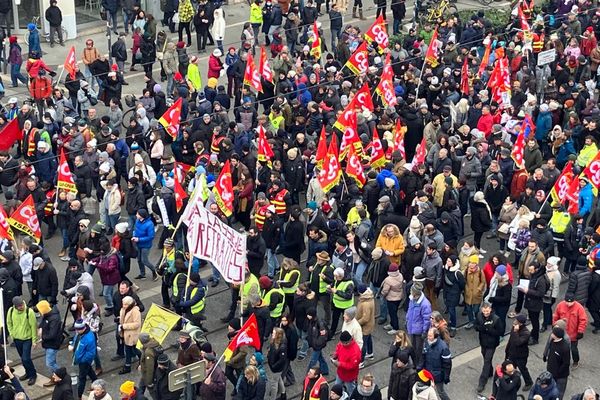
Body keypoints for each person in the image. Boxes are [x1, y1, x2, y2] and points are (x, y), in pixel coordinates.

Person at [7, 296, 37, 385]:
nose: (21, 307)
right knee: (23, 358)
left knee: (26, 358)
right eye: (19, 306)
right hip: (17, 339)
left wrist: (34, 340)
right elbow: (9, 323)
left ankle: (33, 375)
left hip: (27, 339)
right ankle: (28, 372)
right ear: (15, 306)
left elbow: (33, 326)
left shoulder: (29, 312)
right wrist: (12, 334)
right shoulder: (11, 311)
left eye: (22, 305)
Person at [552, 293, 588, 369]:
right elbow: (556, 316)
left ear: (574, 301)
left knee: (573, 349)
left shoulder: (579, 307)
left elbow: (583, 320)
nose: (568, 304)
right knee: (562, 349)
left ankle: (576, 361)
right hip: (562, 333)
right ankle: (563, 361)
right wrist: (555, 325)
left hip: (573, 335)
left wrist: (580, 331)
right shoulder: (560, 305)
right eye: (567, 302)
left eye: (570, 302)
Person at [474, 302, 503, 393]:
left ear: (490, 310)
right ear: (482, 310)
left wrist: (489, 329)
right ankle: (490, 372)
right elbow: (475, 326)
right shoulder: (479, 316)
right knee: (485, 357)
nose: (486, 312)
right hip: (483, 342)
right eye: (484, 311)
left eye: (487, 311)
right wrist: (481, 328)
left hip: (492, 343)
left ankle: (482, 382)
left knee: (486, 361)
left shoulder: (496, 319)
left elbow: (500, 332)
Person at [419, 328, 451, 400]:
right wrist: (420, 367)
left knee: (440, 391)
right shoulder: (426, 342)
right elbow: (423, 355)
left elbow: (447, 364)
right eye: (428, 335)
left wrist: (446, 377)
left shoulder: (443, 347)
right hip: (427, 372)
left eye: (430, 336)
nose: (428, 337)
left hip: (438, 375)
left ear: (435, 336)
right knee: (428, 390)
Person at [36, 300, 62, 387]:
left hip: (53, 344)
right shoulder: (47, 314)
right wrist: (40, 328)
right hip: (48, 343)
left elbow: (52, 335)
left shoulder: (54, 319)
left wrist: (42, 336)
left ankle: (60, 375)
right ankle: (56, 376)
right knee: (52, 362)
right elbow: (43, 323)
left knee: (50, 363)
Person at [70, 319, 97, 399]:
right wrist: (72, 344)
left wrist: (81, 360)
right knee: (90, 373)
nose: (76, 331)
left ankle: (78, 395)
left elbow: (91, 353)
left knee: (82, 378)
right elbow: (76, 340)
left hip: (84, 361)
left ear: (83, 328)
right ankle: (96, 384)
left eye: (78, 329)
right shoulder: (80, 333)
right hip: (82, 360)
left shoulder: (89, 338)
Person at [505, 314, 533, 391]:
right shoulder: (514, 328)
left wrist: (516, 331)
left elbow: (518, 342)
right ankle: (512, 381)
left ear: (520, 323)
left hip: (521, 356)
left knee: (522, 369)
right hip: (512, 353)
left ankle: (529, 382)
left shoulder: (526, 333)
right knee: (511, 369)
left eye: (516, 321)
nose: (514, 321)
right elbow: (511, 339)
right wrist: (507, 350)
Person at [406, 283, 431, 367]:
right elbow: (409, 311)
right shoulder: (412, 300)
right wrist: (407, 320)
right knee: (412, 348)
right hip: (412, 328)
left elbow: (427, 319)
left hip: (419, 331)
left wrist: (424, 331)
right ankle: (415, 363)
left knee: (419, 349)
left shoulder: (425, 304)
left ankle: (419, 365)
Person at [331, 331, 361, 395]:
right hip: (340, 372)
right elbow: (338, 347)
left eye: (343, 343)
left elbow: (353, 365)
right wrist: (335, 354)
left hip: (349, 376)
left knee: (351, 391)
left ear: (348, 342)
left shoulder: (355, 351)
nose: (341, 344)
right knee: (336, 388)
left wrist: (340, 364)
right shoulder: (342, 343)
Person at [118, 296, 142, 375]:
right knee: (128, 350)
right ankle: (128, 365)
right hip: (126, 334)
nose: (123, 306)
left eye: (125, 304)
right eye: (123, 304)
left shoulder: (135, 311)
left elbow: (137, 324)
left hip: (132, 335)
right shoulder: (124, 309)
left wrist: (124, 326)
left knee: (132, 349)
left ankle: (141, 359)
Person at [545, 326, 571, 399]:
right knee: (550, 389)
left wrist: (558, 373)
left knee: (559, 393)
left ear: (556, 336)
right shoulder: (552, 341)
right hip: (551, 372)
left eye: (553, 333)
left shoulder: (565, 348)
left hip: (561, 376)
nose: (551, 334)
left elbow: (566, 363)